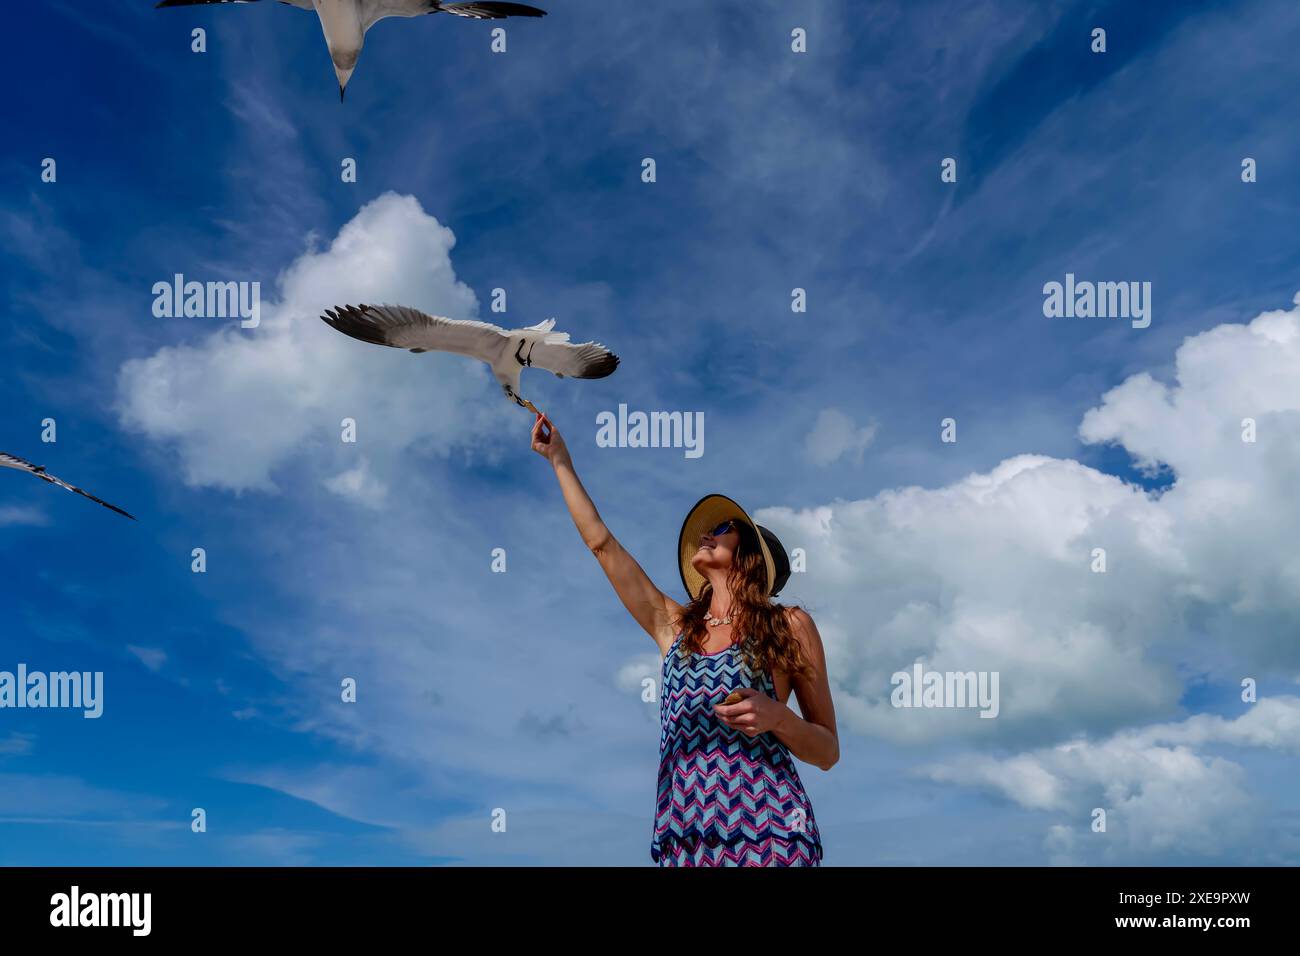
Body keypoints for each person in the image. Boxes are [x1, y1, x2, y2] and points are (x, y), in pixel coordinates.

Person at [531, 412, 838, 866]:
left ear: (750, 554)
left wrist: (778, 717)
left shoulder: (788, 625)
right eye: (707, 530)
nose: (707, 534)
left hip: (770, 835)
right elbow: (602, 545)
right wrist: (560, 460)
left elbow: (828, 751)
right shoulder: (675, 626)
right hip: (686, 838)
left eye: (722, 530)